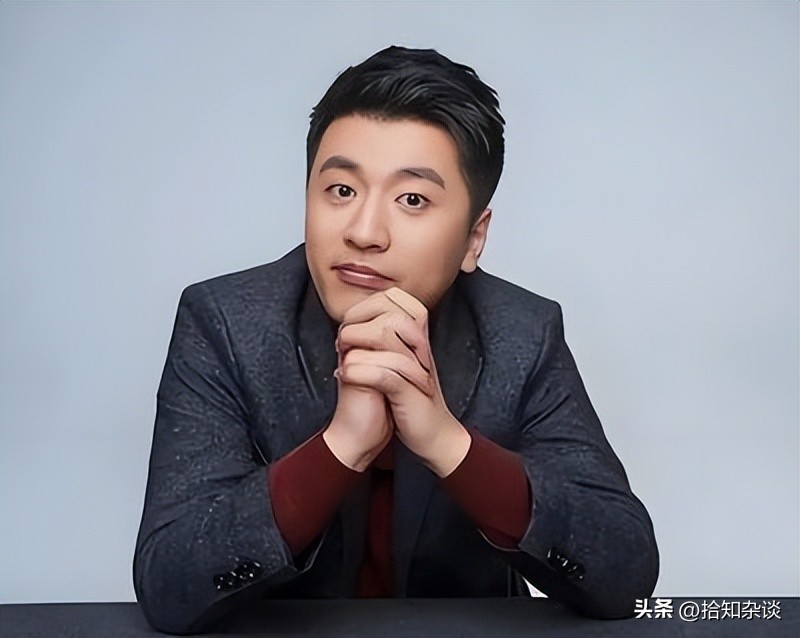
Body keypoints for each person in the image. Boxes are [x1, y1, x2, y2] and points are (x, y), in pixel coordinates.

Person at [133, 45, 658, 634]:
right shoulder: (225, 323)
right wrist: (342, 446)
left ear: (473, 239)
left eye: (412, 200)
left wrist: (446, 443)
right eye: (341, 190)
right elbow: (170, 584)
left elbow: (625, 572)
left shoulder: (521, 333)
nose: (363, 232)